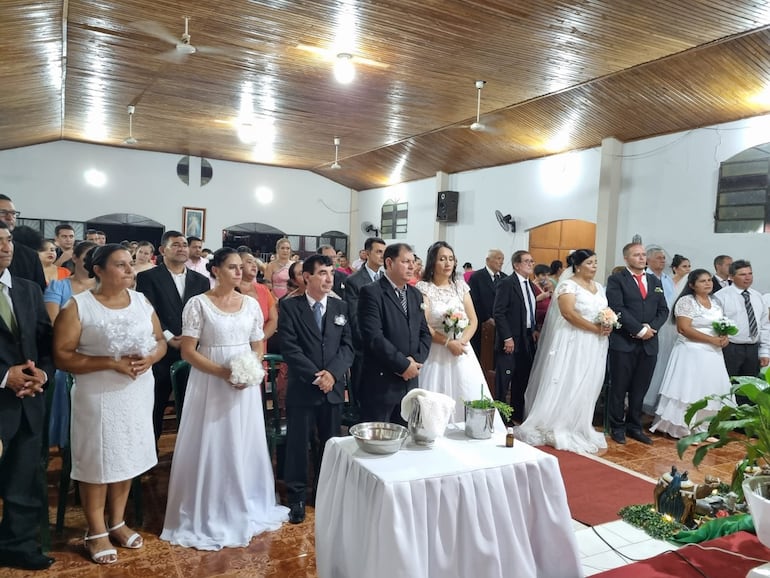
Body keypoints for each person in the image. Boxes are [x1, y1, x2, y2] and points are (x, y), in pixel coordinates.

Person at [160, 248, 288, 550]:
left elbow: (258, 344)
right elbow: (189, 350)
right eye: (232, 267)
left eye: (241, 268)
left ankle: (246, 501)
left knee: (243, 440)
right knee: (213, 439)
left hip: (243, 385)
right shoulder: (198, 304)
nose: (239, 272)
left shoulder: (251, 304)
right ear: (215, 270)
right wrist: (223, 372)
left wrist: (248, 369)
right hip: (210, 381)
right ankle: (209, 507)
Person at [54, 244, 166, 565]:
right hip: (99, 395)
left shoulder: (141, 301)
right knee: (98, 462)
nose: (130, 270)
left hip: (136, 392)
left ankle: (117, 521)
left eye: (130, 264)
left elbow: (160, 340)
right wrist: (109, 363)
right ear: (98, 270)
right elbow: (62, 355)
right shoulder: (80, 306)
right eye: (121, 265)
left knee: (126, 456)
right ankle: (96, 530)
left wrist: (151, 358)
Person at [279, 255, 354, 524]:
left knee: (330, 443)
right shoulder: (290, 307)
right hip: (304, 387)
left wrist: (332, 374)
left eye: (331, 272)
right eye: (322, 272)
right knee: (299, 445)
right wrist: (316, 375)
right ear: (306, 277)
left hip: (333, 388)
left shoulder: (340, 306)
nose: (328, 278)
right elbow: (289, 347)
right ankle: (297, 496)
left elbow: (348, 346)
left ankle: (326, 491)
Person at [513, 250, 611, 453]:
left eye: (595, 262)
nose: (594, 266)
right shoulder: (568, 286)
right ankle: (558, 421)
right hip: (573, 340)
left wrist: (607, 324)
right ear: (577, 266)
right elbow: (568, 313)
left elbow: (603, 312)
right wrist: (595, 329)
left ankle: (579, 423)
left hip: (595, 343)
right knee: (570, 378)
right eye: (590, 262)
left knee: (588, 381)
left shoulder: (599, 287)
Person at [0, 221, 55, 571]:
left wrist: (42, 375)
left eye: (7, 240)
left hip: (28, 399)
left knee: (24, 478)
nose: (5, 247)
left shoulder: (27, 289)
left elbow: (45, 342)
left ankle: (17, 545)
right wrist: (4, 376)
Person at [416, 242, 503, 429]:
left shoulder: (460, 286)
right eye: (442, 259)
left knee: (466, 389)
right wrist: (448, 342)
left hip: (462, 349)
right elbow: (424, 324)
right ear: (433, 262)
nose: (448, 263)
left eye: (450, 259)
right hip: (436, 350)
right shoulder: (424, 288)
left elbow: (473, 320)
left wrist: (461, 341)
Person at [135, 231, 210, 440]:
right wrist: (167, 336)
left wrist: (190, 338)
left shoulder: (201, 281)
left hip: (193, 349)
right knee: (156, 403)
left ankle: (190, 448)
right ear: (162, 250)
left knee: (192, 404)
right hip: (160, 349)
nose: (182, 248)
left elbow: (202, 313)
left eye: (184, 244)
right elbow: (149, 310)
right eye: (176, 244)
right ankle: (151, 449)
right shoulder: (148, 277)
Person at [650, 269, 731, 438]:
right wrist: (711, 340)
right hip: (691, 352)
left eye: (709, 280)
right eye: (703, 281)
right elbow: (684, 328)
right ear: (692, 285)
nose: (708, 283)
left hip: (713, 354)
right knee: (689, 389)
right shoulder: (687, 301)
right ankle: (682, 428)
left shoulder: (715, 301)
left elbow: (721, 324)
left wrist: (724, 337)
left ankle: (703, 427)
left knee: (708, 389)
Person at [358, 243, 431, 424]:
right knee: (379, 443)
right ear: (389, 263)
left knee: (407, 441)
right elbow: (374, 337)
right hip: (382, 381)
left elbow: (424, 333)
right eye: (406, 262)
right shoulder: (372, 292)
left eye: (413, 262)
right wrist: (402, 365)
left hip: (410, 382)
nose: (412, 266)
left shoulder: (415, 295)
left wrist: (415, 362)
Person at [606, 242, 669, 445]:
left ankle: (635, 426)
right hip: (624, 342)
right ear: (626, 258)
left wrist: (651, 329)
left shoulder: (653, 280)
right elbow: (617, 307)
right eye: (637, 255)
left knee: (640, 388)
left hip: (649, 343)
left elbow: (663, 310)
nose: (642, 258)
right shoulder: (617, 279)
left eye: (643, 255)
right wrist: (639, 330)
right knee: (619, 387)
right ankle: (617, 426)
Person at [43, 241, 97, 448]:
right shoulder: (59, 286)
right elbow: (56, 323)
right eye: (88, 256)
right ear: (75, 258)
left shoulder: (105, 287)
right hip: (71, 357)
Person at [493, 250, 538, 421]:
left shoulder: (531, 285)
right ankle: (500, 417)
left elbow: (528, 311)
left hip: (526, 339)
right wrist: (507, 337)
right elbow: (499, 312)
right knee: (504, 380)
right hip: (510, 339)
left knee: (522, 379)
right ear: (516, 265)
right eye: (526, 261)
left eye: (532, 261)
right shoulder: (507, 283)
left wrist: (533, 329)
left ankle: (517, 414)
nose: (530, 264)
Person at [713, 260, 770, 382]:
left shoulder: (757, 296)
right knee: (729, 384)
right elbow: (715, 323)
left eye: (750, 273)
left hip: (752, 348)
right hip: (731, 347)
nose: (748, 277)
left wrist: (764, 351)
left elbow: (764, 325)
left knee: (749, 387)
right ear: (732, 277)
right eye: (743, 274)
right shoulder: (721, 296)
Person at [344, 237, 386, 404]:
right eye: (378, 252)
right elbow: (354, 317)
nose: (382, 256)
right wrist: (372, 343)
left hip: (385, 345)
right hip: (364, 347)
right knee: (363, 396)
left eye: (384, 252)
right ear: (367, 254)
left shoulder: (385, 279)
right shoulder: (354, 281)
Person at [643, 245, 678, 415]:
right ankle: (644, 400)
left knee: (665, 362)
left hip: (669, 326)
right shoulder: (645, 278)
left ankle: (658, 400)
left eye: (664, 258)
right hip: (652, 325)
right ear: (648, 260)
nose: (663, 260)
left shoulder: (667, 279)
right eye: (659, 257)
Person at [0, 195, 45, 290]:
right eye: (3, 212)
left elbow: (38, 294)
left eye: (13, 213)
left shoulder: (29, 256)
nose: (10, 217)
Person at [468, 249, 506, 359]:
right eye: (498, 258)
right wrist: (486, 318)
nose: (501, 262)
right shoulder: (477, 277)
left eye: (502, 259)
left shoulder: (504, 278)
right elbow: (474, 300)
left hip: (500, 325)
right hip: (482, 324)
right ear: (488, 260)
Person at [238, 250, 278, 342]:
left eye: (255, 262)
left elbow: (273, 320)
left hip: (260, 346)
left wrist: (260, 339)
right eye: (249, 262)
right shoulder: (230, 289)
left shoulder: (264, 290)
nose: (254, 265)